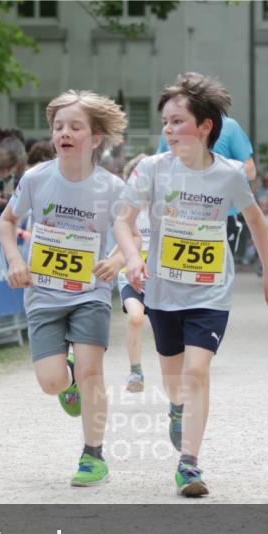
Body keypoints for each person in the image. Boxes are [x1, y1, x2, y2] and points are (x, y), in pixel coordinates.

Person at [114, 72, 268, 497]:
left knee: (196, 371)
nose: (168, 130)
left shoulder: (228, 174)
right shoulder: (152, 169)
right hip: (163, 292)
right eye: (165, 122)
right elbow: (122, 219)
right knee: (175, 382)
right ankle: (176, 407)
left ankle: (189, 465)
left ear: (205, 126)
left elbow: (256, 220)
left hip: (210, 291)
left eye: (178, 122)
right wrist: (133, 258)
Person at [0, 89, 127, 487]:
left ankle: (93, 455)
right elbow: (6, 222)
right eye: (58, 127)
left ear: (96, 137)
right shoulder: (37, 178)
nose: (64, 133)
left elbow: (134, 237)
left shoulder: (113, 188)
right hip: (44, 293)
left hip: (90, 291)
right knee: (52, 381)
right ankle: (66, 381)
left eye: (75, 126)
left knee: (93, 370)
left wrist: (118, 260)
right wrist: (16, 260)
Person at [157, 114, 255, 257]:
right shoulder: (170, 129)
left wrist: (213, 173)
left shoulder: (229, 126)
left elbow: (250, 171)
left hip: (220, 216)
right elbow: (160, 171)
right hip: (179, 216)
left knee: (216, 276)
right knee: (176, 274)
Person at [112, 154, 153, 393]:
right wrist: (111, 261)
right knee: (136, 318)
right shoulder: (127, 211)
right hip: (131, 274)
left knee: (168, 331)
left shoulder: (169, 206)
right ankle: (135, 372)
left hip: (162, 278)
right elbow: (122, 239)